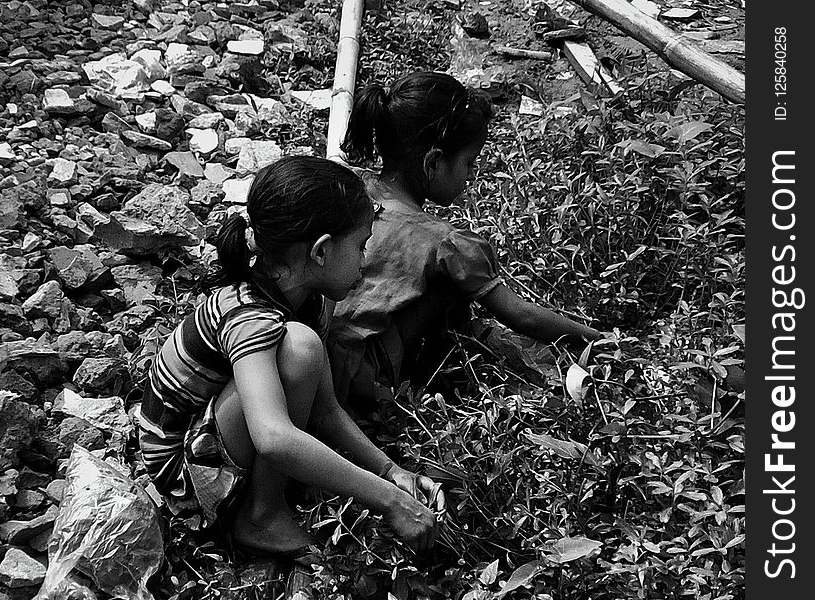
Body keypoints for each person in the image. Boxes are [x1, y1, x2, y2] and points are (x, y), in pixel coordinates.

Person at [136, 156, 445, 561]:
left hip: (214, 435)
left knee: (302, 349)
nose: (366, 259)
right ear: (320, 252)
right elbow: (274, 437)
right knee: (300, 348)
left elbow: (325, 410)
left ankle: (266, 500)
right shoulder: (248, 317)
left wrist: (390, 471)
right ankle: (261, 517)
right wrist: (389, 501)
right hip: (182, 474)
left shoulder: (309, 298)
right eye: (360, 244)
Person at [328, 71, 603, 410]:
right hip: (361, 382)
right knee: (450, 285)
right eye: (469, 163)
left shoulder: (349, 188)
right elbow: (521, 315)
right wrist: (597, 339)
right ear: (433, 162)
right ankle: (428, 384)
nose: (470, 177)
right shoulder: (443, 242)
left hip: (322, 354)